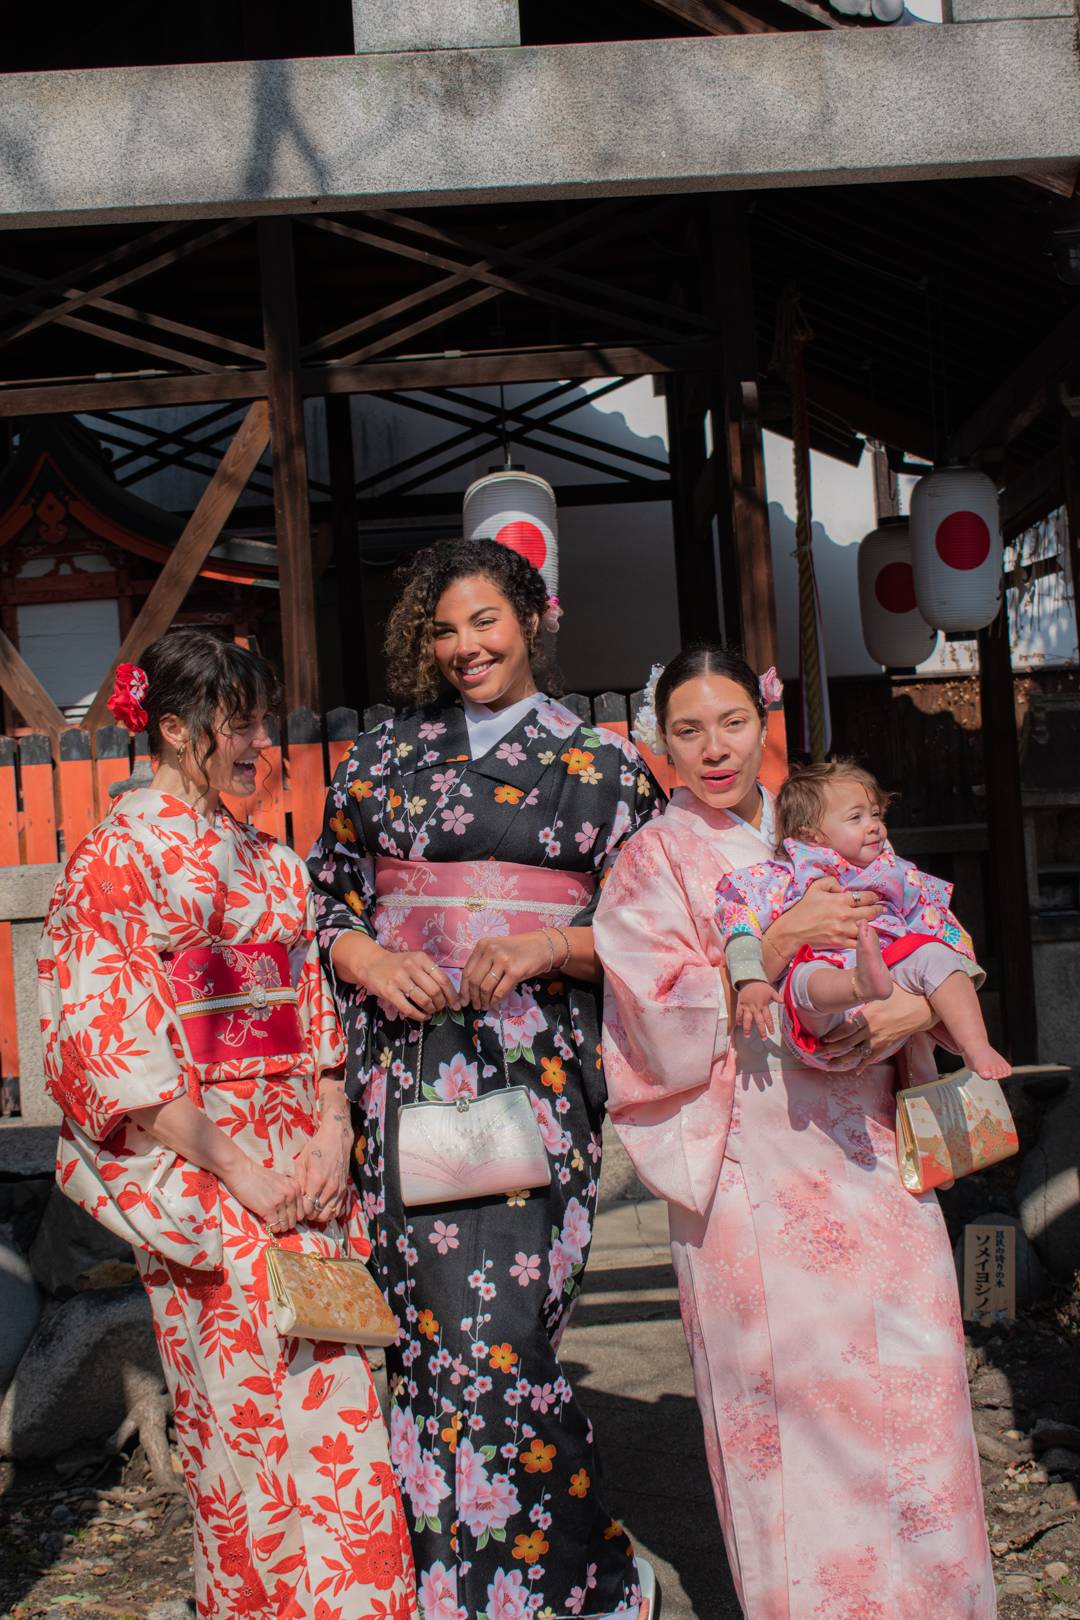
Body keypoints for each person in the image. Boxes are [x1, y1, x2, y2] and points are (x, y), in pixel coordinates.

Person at [594, 644, 995, 1620]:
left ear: (762, 720)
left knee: (917, 1384)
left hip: (870, 1155)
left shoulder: (816, 826)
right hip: (753, 1171)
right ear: (662, 745)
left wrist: (925, 1006)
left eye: (731, 721)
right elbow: (647, 1014)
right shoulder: (651, 862)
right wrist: (763, 953)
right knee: (789, 1419)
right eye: (688, 730)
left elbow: (935, 929)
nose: (714, 748)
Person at [307, 537, 664, 1620]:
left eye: (486, 623)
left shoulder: (602, 768)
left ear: (533, 621)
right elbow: (326, 901)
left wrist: (555, 948)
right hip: (407, 1071)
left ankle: (579, 1577)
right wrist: (363, 954)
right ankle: (450, 1584)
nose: (465, 647)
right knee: (425, 1336)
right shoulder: (379, 759)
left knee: (506, 1337)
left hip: (532, 1076)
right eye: (444, 629)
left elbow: (659, 937)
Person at [38, 630, 417, 1620]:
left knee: (337, 1397)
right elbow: (108, 1044)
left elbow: (310, 1013)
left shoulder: (271, 865)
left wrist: (333, 1130)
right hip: (205, 1170)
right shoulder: (114, 861)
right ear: (170, 727)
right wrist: (237, 1169)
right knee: (243, 1417)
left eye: (260, 717)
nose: (257, 740)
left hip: (300, 1162)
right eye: (234, 721)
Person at [720, 757, 1010, 1081]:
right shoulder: (788, 875)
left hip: (894, 987)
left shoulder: (895, 872)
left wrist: (943, 984)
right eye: (855, 817)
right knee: (806, 978)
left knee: (937, 954)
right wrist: (751, 979)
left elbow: (941, 928)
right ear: (811, 835)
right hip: (825, 1015)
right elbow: (739, 923)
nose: (873, 825)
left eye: (875, 813)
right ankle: (859, 982)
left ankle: (976, 1045)